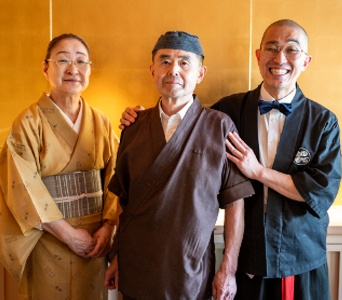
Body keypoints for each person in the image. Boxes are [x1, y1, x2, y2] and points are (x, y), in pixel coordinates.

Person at [119, 20, 342, 300]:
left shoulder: (323, 122)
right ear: (258, 56)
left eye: (291, 50)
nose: (280, 58)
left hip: (299, 257)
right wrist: (139, 118)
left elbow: (320, 191)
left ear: (306, 61)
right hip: (246, 259)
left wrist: (258, 171)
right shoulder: (228, 111)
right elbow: (182, 124)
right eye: (271, 48)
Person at [103, 31, 255, 299]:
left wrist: (228, 269)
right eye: (165, 61)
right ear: (152, 70)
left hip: (190, 268)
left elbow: (235, 203)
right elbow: (123, 201)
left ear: (200, 73)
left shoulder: (219, 126)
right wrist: (117, 256)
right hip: (137, 265)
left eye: (184, 62)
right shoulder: (134, 126)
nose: (173, 70)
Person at [0, 33, 119, 300]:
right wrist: (68, 235)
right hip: (48, 239)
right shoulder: (28, 122)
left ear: (90, 69)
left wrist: (107, 227)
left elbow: (116, 179)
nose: (73, 69)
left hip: (94, 241)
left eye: (81, 61)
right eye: (63, 60)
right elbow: (22, 187)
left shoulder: (101, 121)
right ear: (46, 68)